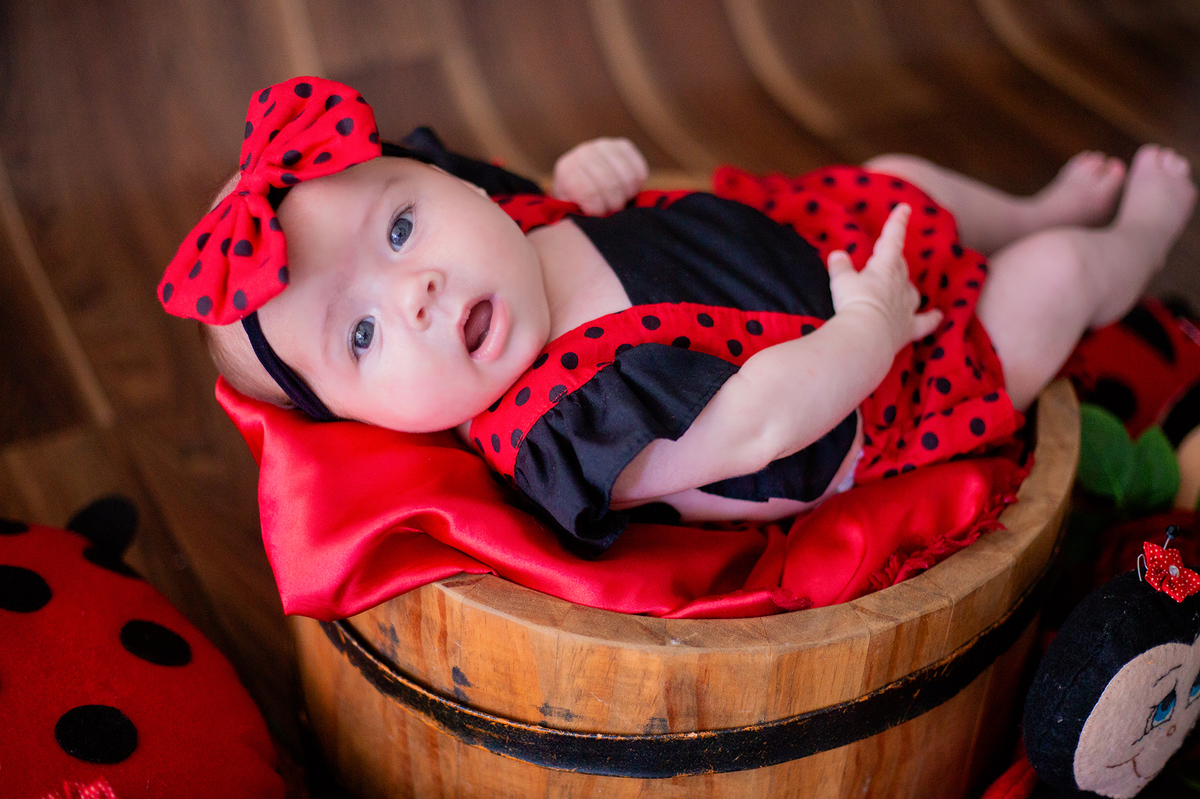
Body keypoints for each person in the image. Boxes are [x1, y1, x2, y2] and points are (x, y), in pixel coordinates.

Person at [161, 76, 1196, 555]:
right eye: (362, 335)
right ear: (365, 421)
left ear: (452, 182)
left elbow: (556, 202)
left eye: (399, 230)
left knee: (897, 174)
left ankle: (1027, 207)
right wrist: (868, 333)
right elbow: (757, 423)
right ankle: (1120, 247)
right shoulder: (562, 423)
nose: (415, 288)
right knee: (1050, 284)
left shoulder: (508, 229)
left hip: (802, 239)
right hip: (879, 389)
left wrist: (582, 176)